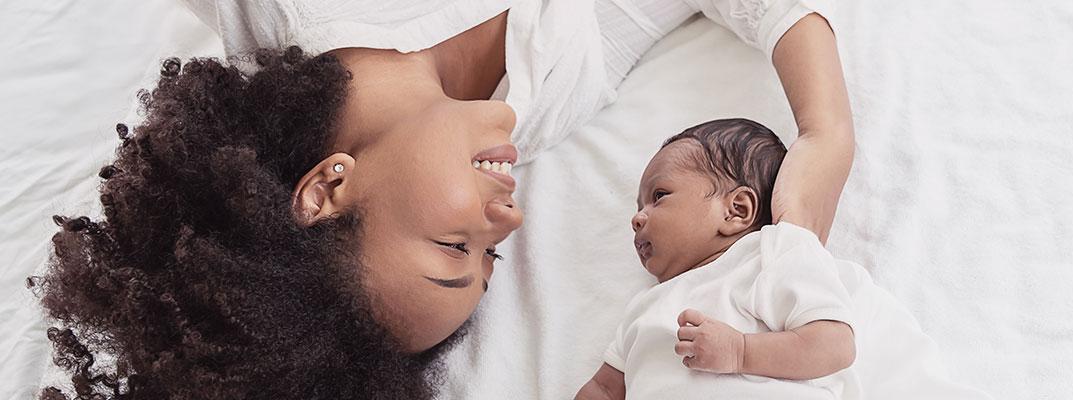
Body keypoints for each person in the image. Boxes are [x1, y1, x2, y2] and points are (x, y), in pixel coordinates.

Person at [33, 0, 856, 398]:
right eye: (489, 259)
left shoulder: (283, 13)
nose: (510, 218)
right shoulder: (542, 93)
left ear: (328, 185)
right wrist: (826, 130)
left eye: (452, 248)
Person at [574, 119, 991, 400]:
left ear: (736, 209)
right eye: (640, 204)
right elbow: (606, 390)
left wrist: (739, 351)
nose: (638, 217)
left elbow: (833, 345)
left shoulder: (773, 254)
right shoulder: (642, 309)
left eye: (659, 196)